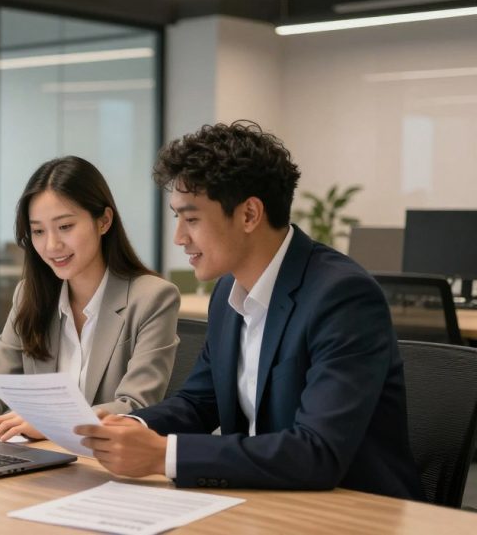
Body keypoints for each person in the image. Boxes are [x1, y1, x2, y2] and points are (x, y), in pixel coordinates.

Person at [75, 121, 422, 500]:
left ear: (249, 215)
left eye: (191, 219)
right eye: (177, 218)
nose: (179, 238)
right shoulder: (229, 290)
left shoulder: (342, 297)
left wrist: (164, 455)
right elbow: (198, 404)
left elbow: (317, 452)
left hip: (353, 510)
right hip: (265, 499)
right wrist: (122, 425)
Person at [0, 155, 180, 442]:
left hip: (105, 466)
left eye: (65, 227)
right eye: (38, 231)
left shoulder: (152, 298)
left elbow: (136, 407)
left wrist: (53, 422)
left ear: (104, 221)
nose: (51, 245)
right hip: (43, 464)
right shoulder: (30, 295)